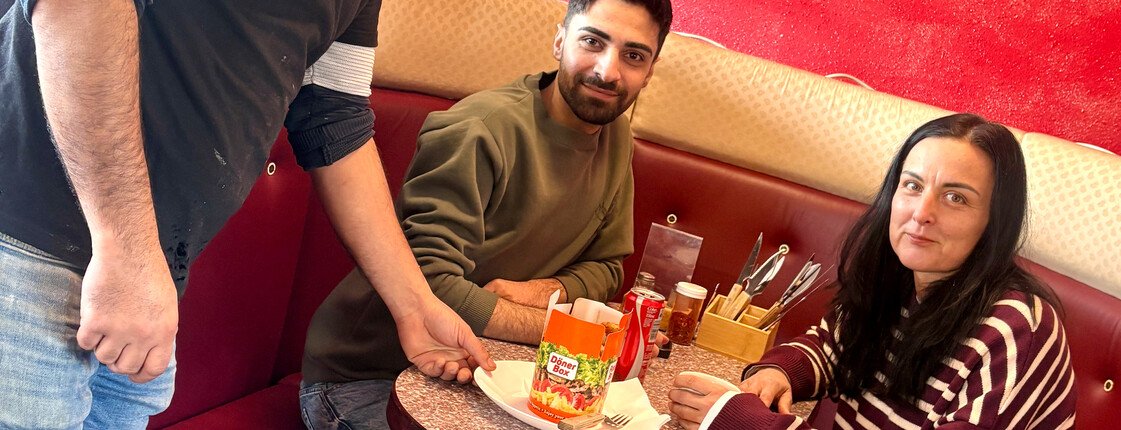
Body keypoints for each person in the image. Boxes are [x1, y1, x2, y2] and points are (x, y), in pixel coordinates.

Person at [0, 0, 494, 428]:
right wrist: (126, 252)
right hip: (30, 246)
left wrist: (414, 306)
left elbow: (333, 118)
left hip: (146, 281)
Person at [299, 0, 673, 427]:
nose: (607, 71)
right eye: (592, 42)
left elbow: (607, 267)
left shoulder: (615, 136)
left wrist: (545, 291)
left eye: (633, 56)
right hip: (368, 378)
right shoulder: (479, 129)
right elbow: (429, 284)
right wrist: (571, 332)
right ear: (559, 41)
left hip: (485, 375)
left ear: (650, 72)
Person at [669, 114, 1077, 429]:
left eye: (955, 197)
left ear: (995, 221)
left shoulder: (1020, 328)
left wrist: (743, 421)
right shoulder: (899, 277)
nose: (921, 213)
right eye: (912, 186)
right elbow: (833, 348)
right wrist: (780, 372)